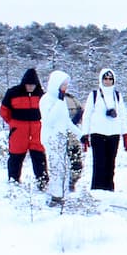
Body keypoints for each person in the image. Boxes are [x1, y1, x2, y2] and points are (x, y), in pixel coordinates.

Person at [80, 67, 127, 193]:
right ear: (101, 80)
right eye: (105, 79)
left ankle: (109, 189)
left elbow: (122, 116)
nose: (108, 81)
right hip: (97, 134)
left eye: (110, 79)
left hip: (114, 134)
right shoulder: (94, 95)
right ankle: (97, 190)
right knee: (99, 164)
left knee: (111, 164)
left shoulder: (117, 96)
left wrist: (125, 135)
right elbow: (86, 116)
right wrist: (84, 135)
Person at [0, 68, 49, 186]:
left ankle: (42, 182)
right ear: (24, 83)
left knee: (39, 157)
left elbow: (48, 111)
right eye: (28, 84)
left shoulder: (42, 95)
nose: (31, 87)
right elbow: (4, 110)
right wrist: (13, 123)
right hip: (18, 130)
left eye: (33, 85)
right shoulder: (13, 93)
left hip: (37, 129)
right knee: (16, 157)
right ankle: (13, 181)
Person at [38, 70, 78, 208]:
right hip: (51, 139)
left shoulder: (60, 101)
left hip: (61, 139)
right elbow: (49, 120)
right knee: (56, 167)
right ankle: (55, 196)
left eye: (66, 85)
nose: (65, 88)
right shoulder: (46, 100)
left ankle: (62, 194)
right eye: (63, 85)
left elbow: (66, 121)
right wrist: (60, 102)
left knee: (63, 166)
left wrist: (81, 134)